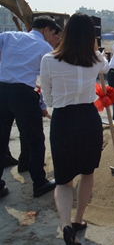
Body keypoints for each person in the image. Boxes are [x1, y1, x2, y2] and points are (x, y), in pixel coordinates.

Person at [40, 13, 109, 245]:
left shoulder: (49, 59)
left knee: (63, 180)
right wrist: (94, 46)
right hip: (89, 119)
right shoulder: (96, 59)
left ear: (66, 32)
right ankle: (79, 219)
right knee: (87, 173)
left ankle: (67, 226)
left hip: (63, 120)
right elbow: (105, 63)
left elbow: (48, 98)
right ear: (91, 36)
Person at [0, 16, 58, 199]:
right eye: (52, 34)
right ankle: (39, 183)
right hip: (23, 95)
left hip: (1, 92)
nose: (51, 39)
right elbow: (46, 81)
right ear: (46, 30)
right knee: (35, 140)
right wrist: (41, 104)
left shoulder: (9, 36)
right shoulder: (45, 48)